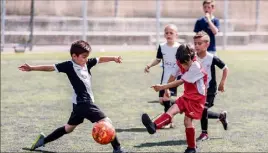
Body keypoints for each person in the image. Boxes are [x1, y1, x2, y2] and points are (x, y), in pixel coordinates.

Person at [18, 40, 125, 153]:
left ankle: (42, 141)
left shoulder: (87, 63)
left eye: (87, 56)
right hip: (84, 103)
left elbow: (100, 59)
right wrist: (32, 68)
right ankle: (117, 149)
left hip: (78, 105)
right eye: (84, 57)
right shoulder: (69, 65)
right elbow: (50, 67)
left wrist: (113, 58)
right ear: (74, 56)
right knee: (106, 121)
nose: (86, 59)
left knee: (68, 128)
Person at [142, 44, 207, 153]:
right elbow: (173, 75)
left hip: (197, 99)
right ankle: (153, 126)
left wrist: (163, 87)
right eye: (182, 64)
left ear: (191, 58)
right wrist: (167, 90)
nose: (184, 67)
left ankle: (192, 148)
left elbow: (180, 81)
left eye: (186, 64)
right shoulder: (180, 61)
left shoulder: (196, 66)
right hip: (187, 95)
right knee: (171, 110)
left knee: (187, 121)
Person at [193, 31, 229, 141]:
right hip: (198, 89)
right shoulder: (193, 57)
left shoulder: (212, 58)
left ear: (207, 44)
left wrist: (222, 83)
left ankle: (205, 133)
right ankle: (220, 116)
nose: (197, 46)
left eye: (200, 43)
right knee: (200, 111)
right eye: (195, 43)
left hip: (210, 89)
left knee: (203, 108)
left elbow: (225, 68)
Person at [144, 24, 181, 127]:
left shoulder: (180, 47)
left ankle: (168, 120)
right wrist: (149, 65)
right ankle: (177, 107)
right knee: (162, 100)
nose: (168, 35)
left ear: (176, 35)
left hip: (175, 77)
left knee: (166, 98)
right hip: (165, 76)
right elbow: (158, 59)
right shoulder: (162, 46)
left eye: (171, 33)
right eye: (166, 33)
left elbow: (183, 62)